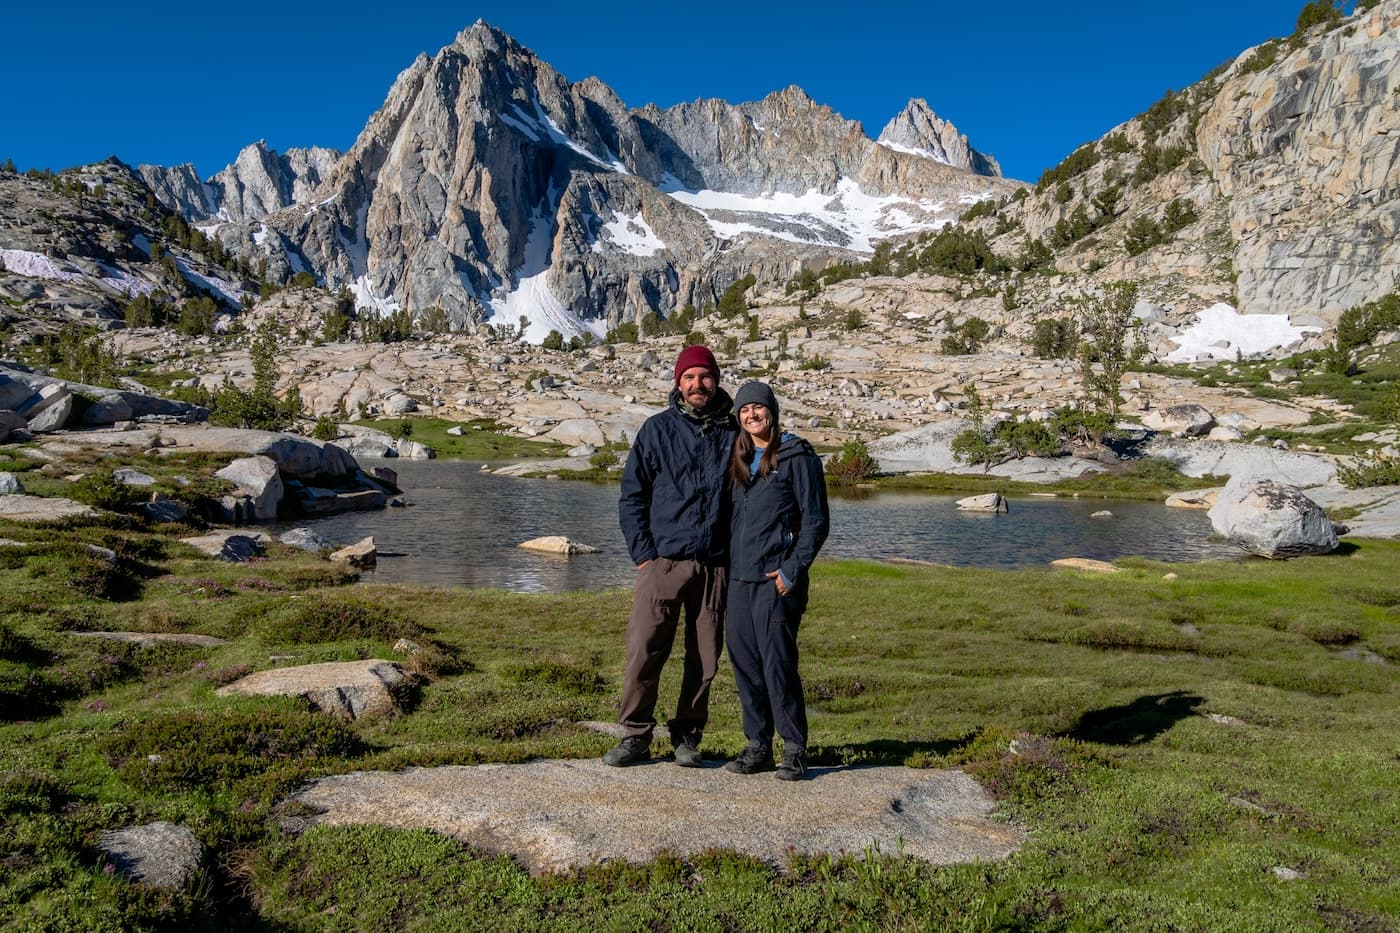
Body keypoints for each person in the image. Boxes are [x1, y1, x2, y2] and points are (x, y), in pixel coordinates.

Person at [604, 344, 737, 768]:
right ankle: (635, 735)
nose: (698, 384)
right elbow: (632, 496)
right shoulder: (657, 430)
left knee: (705, 657)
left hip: (715, 564)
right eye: (689, 378)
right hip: (662, 562)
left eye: (704, 376)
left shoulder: (736, 432)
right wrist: (644, 555)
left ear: (716, 380)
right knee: (645, 648)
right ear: (677, 384)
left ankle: (687, 735)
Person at [723, 381, 829, 781]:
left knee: (777, 664)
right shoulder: (738, 457)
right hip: (740, 577)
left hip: (776, 580)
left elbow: (816, 522)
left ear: (772, 411)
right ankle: (757, 745)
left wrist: (791, 569)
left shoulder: (797, 455)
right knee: (745, 663)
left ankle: (795, 748)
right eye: (745, 410)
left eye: (759, 408)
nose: (752, 415)